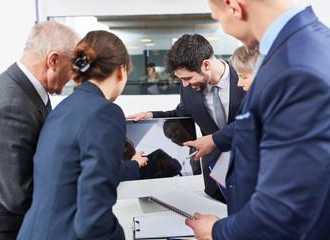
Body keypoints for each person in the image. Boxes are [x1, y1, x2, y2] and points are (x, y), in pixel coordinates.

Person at [184, 1, 330, 239]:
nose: (220, 24)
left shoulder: (294, 68)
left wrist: (217, 231)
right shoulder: (307, 46)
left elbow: (284, 207)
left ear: (233, 6)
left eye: (216, 16)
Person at [17, 30, 147, 240]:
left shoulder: (62, 108)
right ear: (121, 71)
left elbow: (77, 171)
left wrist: (131, 165)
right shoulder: (105, 111)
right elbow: (93, 218)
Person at [0, 21, 79, 239]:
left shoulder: (27, 92)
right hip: (4, 231)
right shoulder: (8, 106)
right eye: (74, 66)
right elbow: (19, 195)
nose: (75, 76)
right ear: (53, 61)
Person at [127, 33, 246, 203]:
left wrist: (213, 140)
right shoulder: (189, 88)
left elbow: (254, 121)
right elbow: (181, 113)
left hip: (251, 169)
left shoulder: (245, 77)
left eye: (187, 78)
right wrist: (151, 115)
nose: (185, 84)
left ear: (206, 65)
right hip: (215, 177)